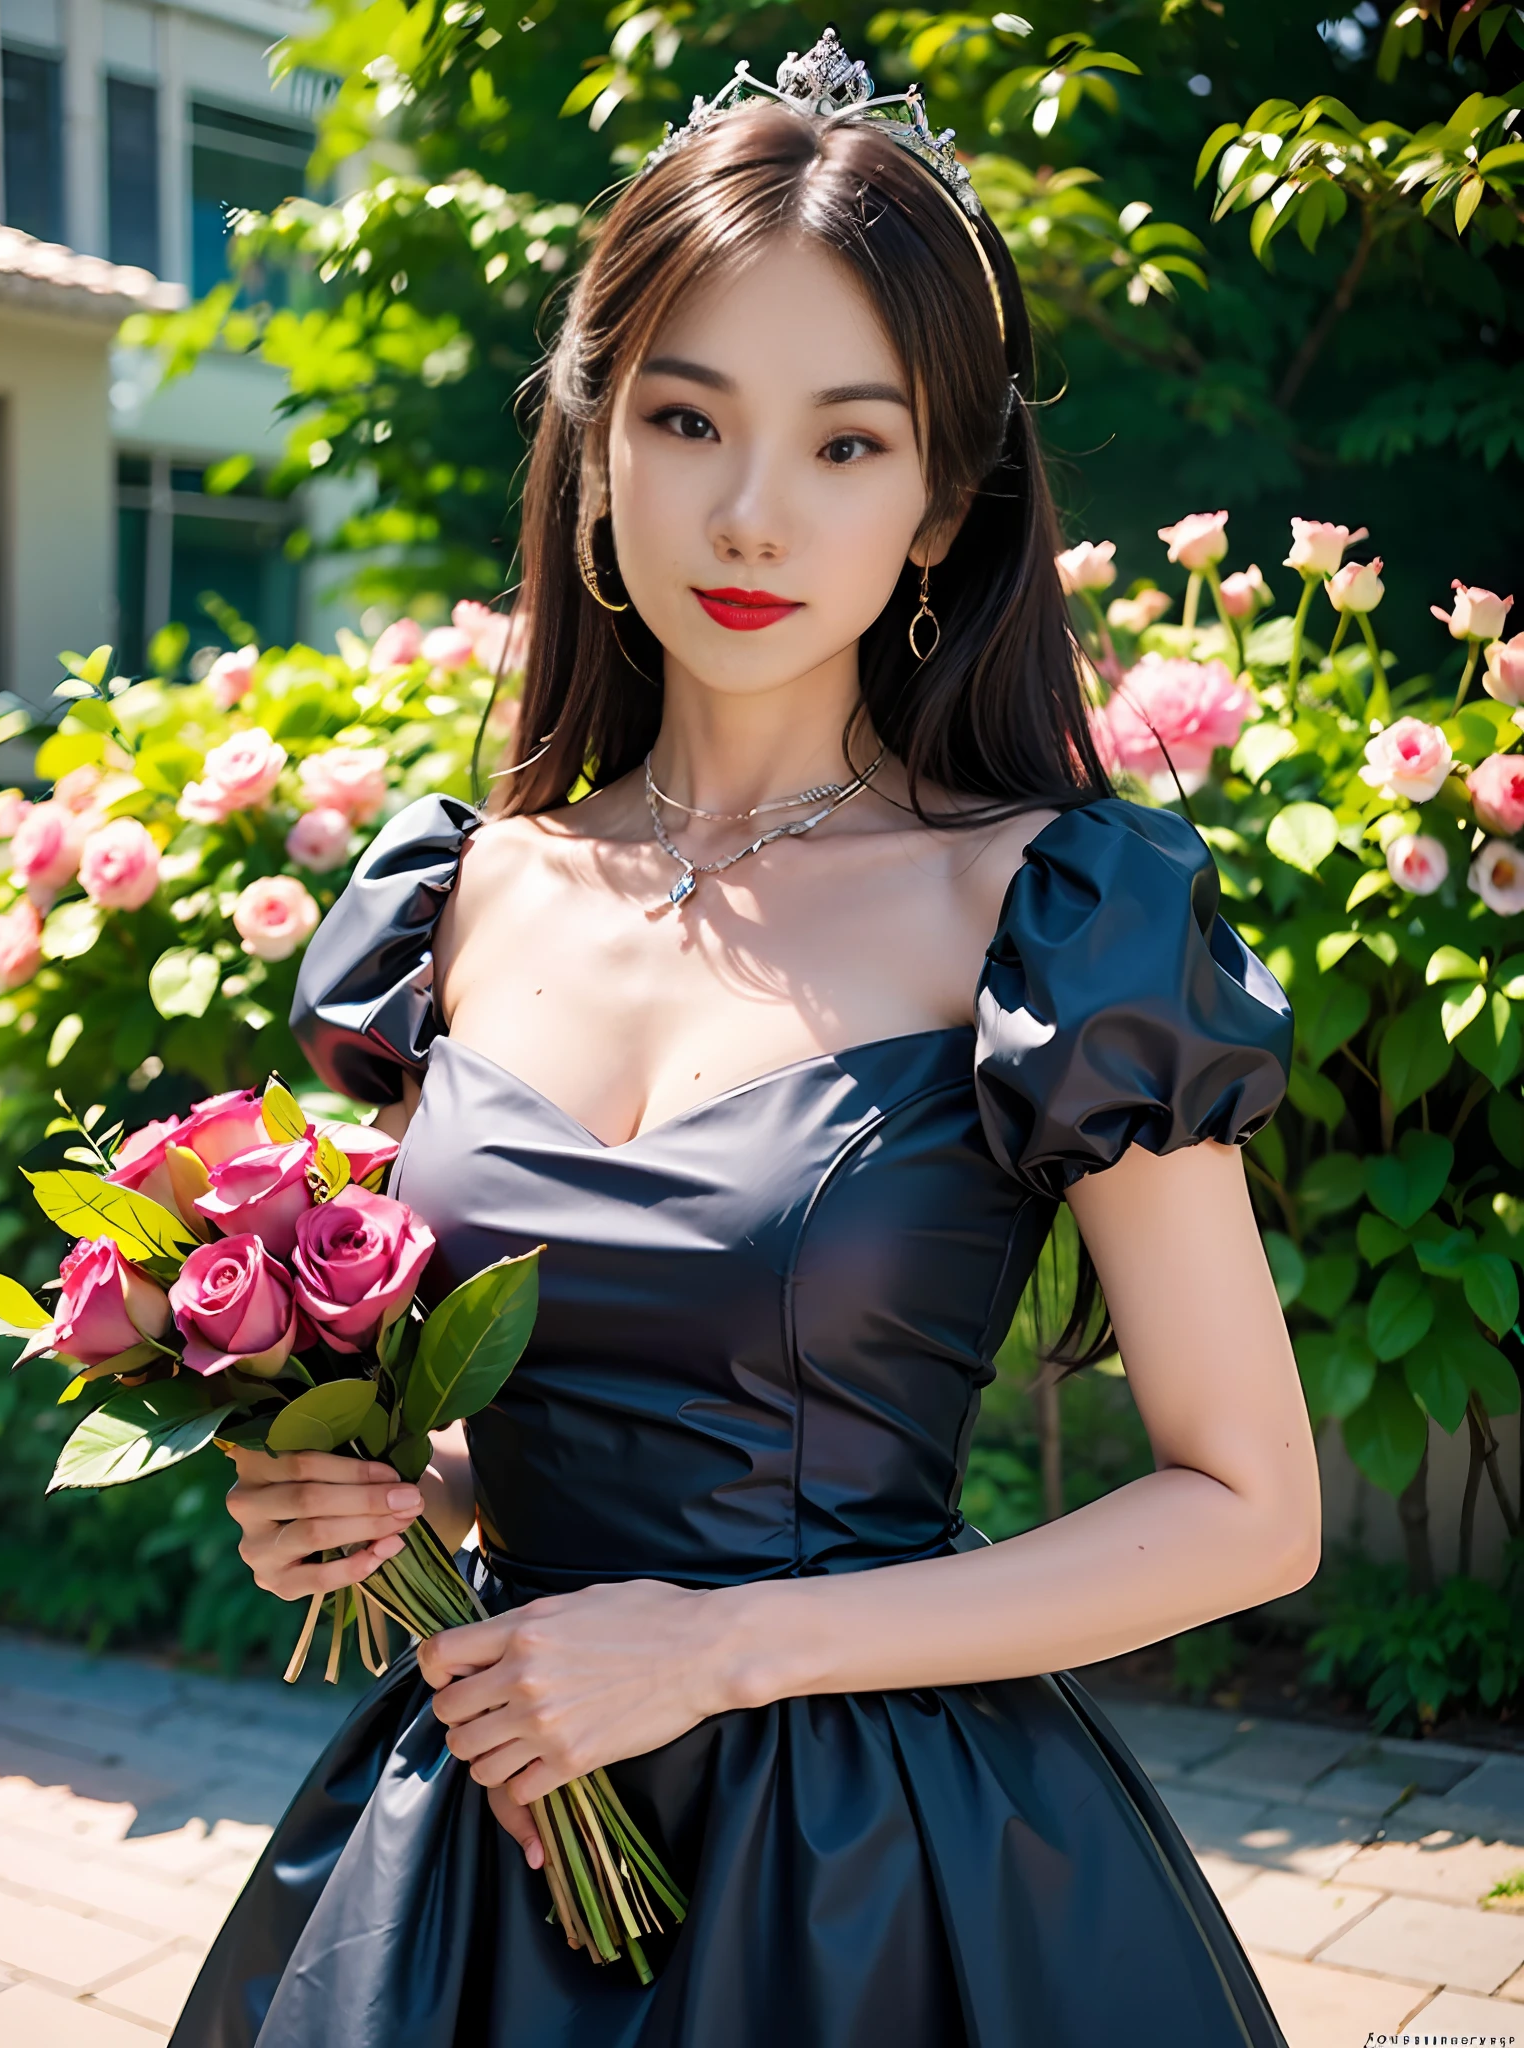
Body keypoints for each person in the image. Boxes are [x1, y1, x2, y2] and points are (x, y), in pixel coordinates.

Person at [175, 33, 1316, 2047]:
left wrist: (716, 1650)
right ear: (598, 449)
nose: (756, 511)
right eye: (690, 419)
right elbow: (509, 1421)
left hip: (882, 1874)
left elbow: (1249, 1505)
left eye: (849, 443)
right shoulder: (459, 889)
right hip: (485, 1829)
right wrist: (380, 1498)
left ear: (949, 506)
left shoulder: (1052, 905)